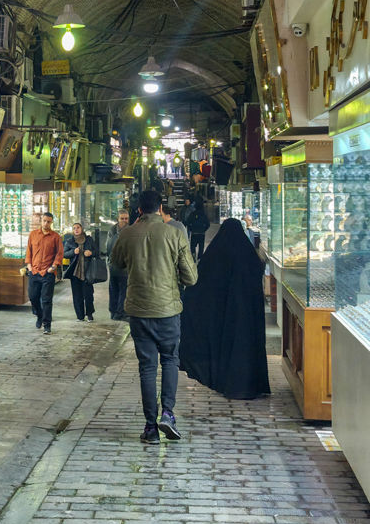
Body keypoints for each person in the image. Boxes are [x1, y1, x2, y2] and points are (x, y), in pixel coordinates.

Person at [111, 188, 198, 445]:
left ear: (138, 210)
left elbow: (116, 266)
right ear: (160, 208)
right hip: (168, 311)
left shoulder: (127, 234)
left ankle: (150, 428)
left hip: (138, 311)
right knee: (170, 360)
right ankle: (168, 414)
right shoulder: (174, 234)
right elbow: (191, 277)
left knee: (147, 367)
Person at [180, 218, 270, 400]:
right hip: (248, 318)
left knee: (226, 347)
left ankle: (227, 382)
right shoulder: (249, 256)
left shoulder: (216, 255)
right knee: (247, 347)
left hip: (223, 319)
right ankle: (251, 385)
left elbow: (199, 284)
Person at [26, 211, 63, 334]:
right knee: (33, 297)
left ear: (51, 223)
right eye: (44, 221)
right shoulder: (33, 235)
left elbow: (59, 253)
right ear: (41, 221)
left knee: (47, 300)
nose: (46, 223)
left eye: (49, 221)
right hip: (34, 271)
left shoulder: (56, 237)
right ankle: (39, 315)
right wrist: (29, 266)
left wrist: (53, 266)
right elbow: (29, 251)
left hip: (48, 272)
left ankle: (47, 325)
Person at [63, 221, 99, 321]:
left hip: (87, 271)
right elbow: (64, 254)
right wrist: (73, 252)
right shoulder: (70, 241)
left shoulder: (89, 240)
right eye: (74, 228)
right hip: (75, 272)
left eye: (78, 227)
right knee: (77, 295)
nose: (76, 230)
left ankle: (90, 314)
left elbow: (97, 252)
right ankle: (80, 316)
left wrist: (91, 252)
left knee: (88, 295)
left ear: (82, 229)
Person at [105, 207, 130, 322]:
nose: (124, 221)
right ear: (118, 219)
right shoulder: (114, 231)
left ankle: (115, 312)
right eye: (122, 218)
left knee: (117, 289)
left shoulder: (114, 230)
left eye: (126, 218)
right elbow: (109, 247)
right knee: (119, 289)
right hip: (118, 265)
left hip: (117, 265)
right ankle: (118, 313)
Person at [183, 196, 209, 260]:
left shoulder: (193, 214)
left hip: (194, 232)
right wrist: (204, 229)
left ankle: (193, 254)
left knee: (193, 245)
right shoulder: (203, 214)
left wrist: (191, 229)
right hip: (201, 233)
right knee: (201, 246)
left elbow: (188, 222)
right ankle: (200, 257)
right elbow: (208, 224)